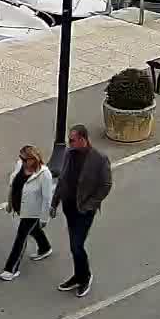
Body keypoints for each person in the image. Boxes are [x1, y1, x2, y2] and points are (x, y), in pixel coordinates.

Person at [50, 124, 112, 297]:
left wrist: (90, 204)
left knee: (77, 245)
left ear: (83, 140)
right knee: (74, 244)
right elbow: (62, 180)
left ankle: (85, 277)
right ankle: (78, 276)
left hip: (84, 209)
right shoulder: (69, 154)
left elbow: (106, 185)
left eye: (72, 140)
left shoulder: (99, 159)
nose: (69, 143)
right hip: (69, 206)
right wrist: (55, 202)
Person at [0, 144, 55, 281]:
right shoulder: (20, 166)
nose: (23, 162)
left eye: (26, 160)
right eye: (21, 159)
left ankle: (11, 268)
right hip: (21, 208)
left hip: (32, 212)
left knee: (21, 237)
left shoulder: (44, 174)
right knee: (33, 230)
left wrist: (44, 218)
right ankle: (45, 247)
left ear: (34, 159)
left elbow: (47, 198)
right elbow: (14, 185)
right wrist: (10, 203)